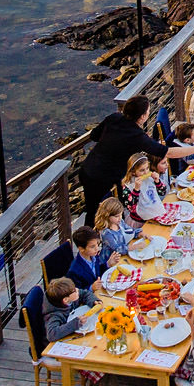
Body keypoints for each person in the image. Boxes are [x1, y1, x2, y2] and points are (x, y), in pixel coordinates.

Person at [79, 96, 164, 231]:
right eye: (148, 111)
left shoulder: (114, 118)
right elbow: (161, 150)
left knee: (92, 209)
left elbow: (94, 135)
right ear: (142, 117)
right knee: (98, 212)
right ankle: (91, 241)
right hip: (104, 177)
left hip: (88, 169)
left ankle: (90, 239)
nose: (149, 113)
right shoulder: (137, 136)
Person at [93, 197, 137, 273]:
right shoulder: (106, 233)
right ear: (107, 216)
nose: (120, 218)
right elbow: (118, 249)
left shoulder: (120, 222)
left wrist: (139, 232)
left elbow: (129, 230)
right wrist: (134, 247)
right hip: (111, 261)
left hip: (123, 255)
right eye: (116, 216)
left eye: (120, 215)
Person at [122, 152, 165, 224]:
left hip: (155, 216)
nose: (146, 172)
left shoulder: (150, 179)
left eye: (147, 168)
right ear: (133, 172)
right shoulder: (127, 187)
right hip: (139, 221)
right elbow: (130, 206)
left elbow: (162, 192)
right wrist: (136, 189)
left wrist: (157, 182)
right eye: (142, 170)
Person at [65, 224, 102, 291]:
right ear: (81, 249)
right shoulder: (74, 271)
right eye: (92, 246)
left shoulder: (94, 255)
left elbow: (98, 271)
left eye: (97, 244)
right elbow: (76, 291)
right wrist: (91, 288)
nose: (97, 248)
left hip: (99, 290)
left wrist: (108, 264)